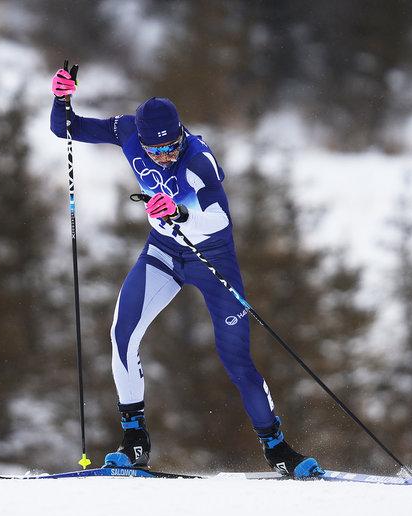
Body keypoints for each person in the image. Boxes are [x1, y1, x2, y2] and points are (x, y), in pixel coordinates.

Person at [49, 67, 323, 478]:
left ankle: (277, 447)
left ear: (181, 134)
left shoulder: (199, 159)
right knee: (121, 335)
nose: (165, 157)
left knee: (236, 360)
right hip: (163, 252)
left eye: (171, 147)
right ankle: (134, 439)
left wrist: (179, 210)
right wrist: (61, 98)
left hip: (213, 260)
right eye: (155, 151)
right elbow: (65, 129)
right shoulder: (126, 131)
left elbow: (217, 217)